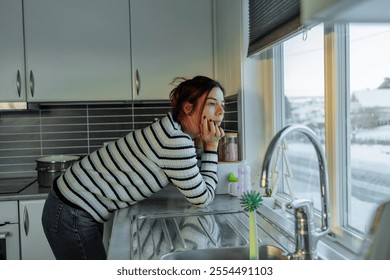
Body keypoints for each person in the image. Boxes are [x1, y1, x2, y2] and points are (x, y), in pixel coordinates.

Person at [41, 75, 226, 259]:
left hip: (72, 206)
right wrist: (212, 146)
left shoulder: (171, 129)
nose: (220, 111)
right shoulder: (176, 140)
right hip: (71, 211)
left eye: (222, 105)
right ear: (188, 107)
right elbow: (202, 198)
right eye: (212, 104)